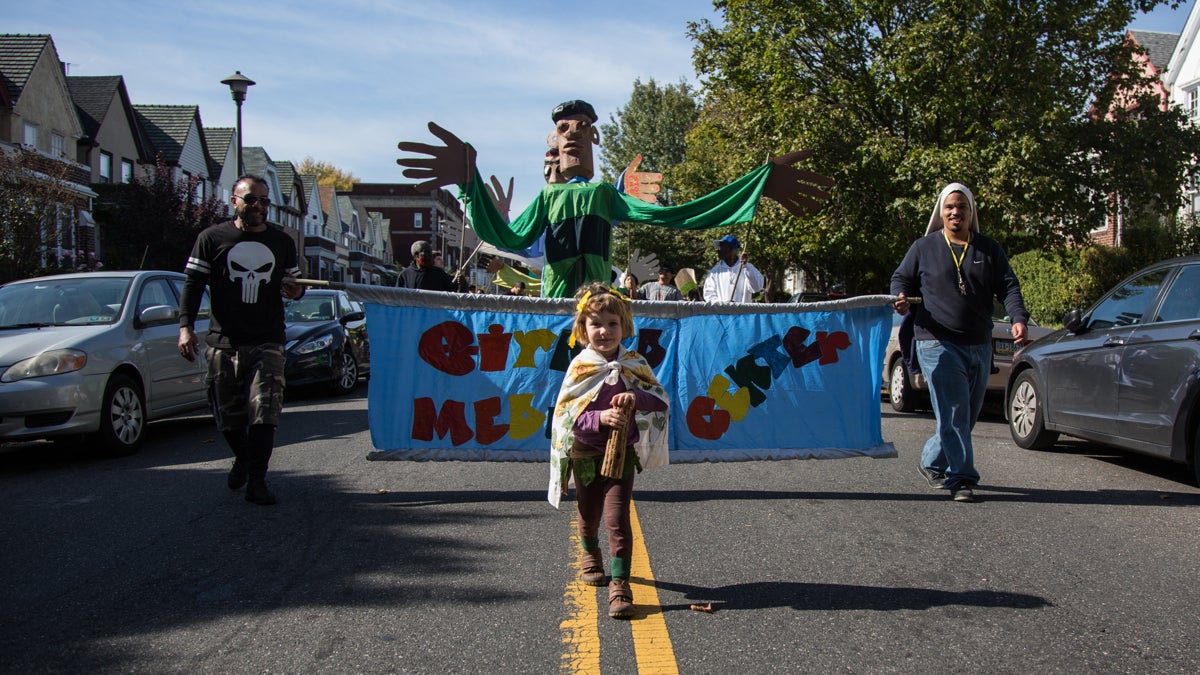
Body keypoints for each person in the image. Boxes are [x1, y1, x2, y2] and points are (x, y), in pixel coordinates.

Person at [397, 99, 833, 298]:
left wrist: (756, 184)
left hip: (602, 307)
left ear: (594, 138)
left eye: (581, 128)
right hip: (558, 309)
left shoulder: (606, 195)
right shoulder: (549, 199)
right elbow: (507, 237)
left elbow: (681, 215)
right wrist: (468, 181)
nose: (573, 136)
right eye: (564, 130)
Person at [890, 182, 1030, 503]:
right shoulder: (923, 247)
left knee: (965, 416)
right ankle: (961, 477)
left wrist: (1018, 318)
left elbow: (1008, 286)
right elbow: (901, 279)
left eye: (962, 207)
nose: (956, 212)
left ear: (971, 212)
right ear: (941, 211)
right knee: (955, 412)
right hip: (936, 341)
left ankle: (931, 461)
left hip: (979, 344)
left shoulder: (988, 249)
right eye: (950, 207)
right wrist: (899, 297)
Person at [178, 175, 304, 506]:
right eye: (252, 200)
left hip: (267, 339)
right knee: (228, 416)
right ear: (234, 201)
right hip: (224, 340)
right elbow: (193, 284)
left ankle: (257, 481)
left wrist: (297, 290)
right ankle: (244, 458)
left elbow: (294, 285)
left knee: (265, 411)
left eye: (265, 201)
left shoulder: (282, 241)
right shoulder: (212, 238)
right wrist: (185, 327)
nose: (259, 207)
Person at [549, 282, 670, 619]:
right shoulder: (581, 368)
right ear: (583, 329)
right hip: (586, 455)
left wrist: (636, 397)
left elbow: (659, 399)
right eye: (596, 324)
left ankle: (620, 585)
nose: (604, 331)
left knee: (617, 520)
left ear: (624, 326)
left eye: (612, 324)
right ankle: (590, 553)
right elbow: (567, 418)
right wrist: (600, 417)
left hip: (621, 456)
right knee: (589, 516)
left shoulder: (633, 362)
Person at [702, 235, 763, 302]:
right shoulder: (715, 272)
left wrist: (746, 267)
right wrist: (724, 305)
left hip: (743, 311)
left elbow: (757, 288)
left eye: (723, 247)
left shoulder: (747, 267)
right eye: (719, 247)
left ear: (733, 250)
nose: (720, 250)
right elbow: (708, 294)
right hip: (722, 311)